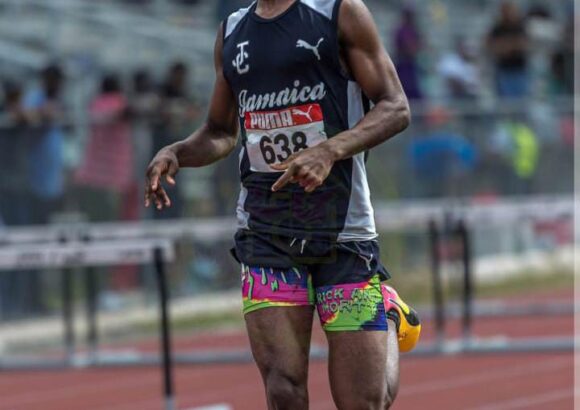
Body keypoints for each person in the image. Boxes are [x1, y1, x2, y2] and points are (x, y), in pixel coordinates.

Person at [145, 0, 421, 408]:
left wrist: (330, 151)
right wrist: (178, 152)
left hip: (342, 231)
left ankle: (389, 314)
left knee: (362, 401)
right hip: (265, 232)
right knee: (283, 388)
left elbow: (395, 106)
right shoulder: (232, 32)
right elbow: (221, 132)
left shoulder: (339, 12)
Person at [487, 1, 529, 98]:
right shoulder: (497, 28)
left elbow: (524, 44)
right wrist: (511, 45)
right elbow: (492, 46)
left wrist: (506, 45)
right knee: (505, 102)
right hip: (504, 70)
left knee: (521, 101)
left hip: (520, 70)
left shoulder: (520, 26)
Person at [393, 6, 423, 100]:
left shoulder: (413, 30)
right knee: (405, 93)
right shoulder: (401, 30)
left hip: (411, 65)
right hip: (403, 66)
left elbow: (419, 46)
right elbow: (409, 48)